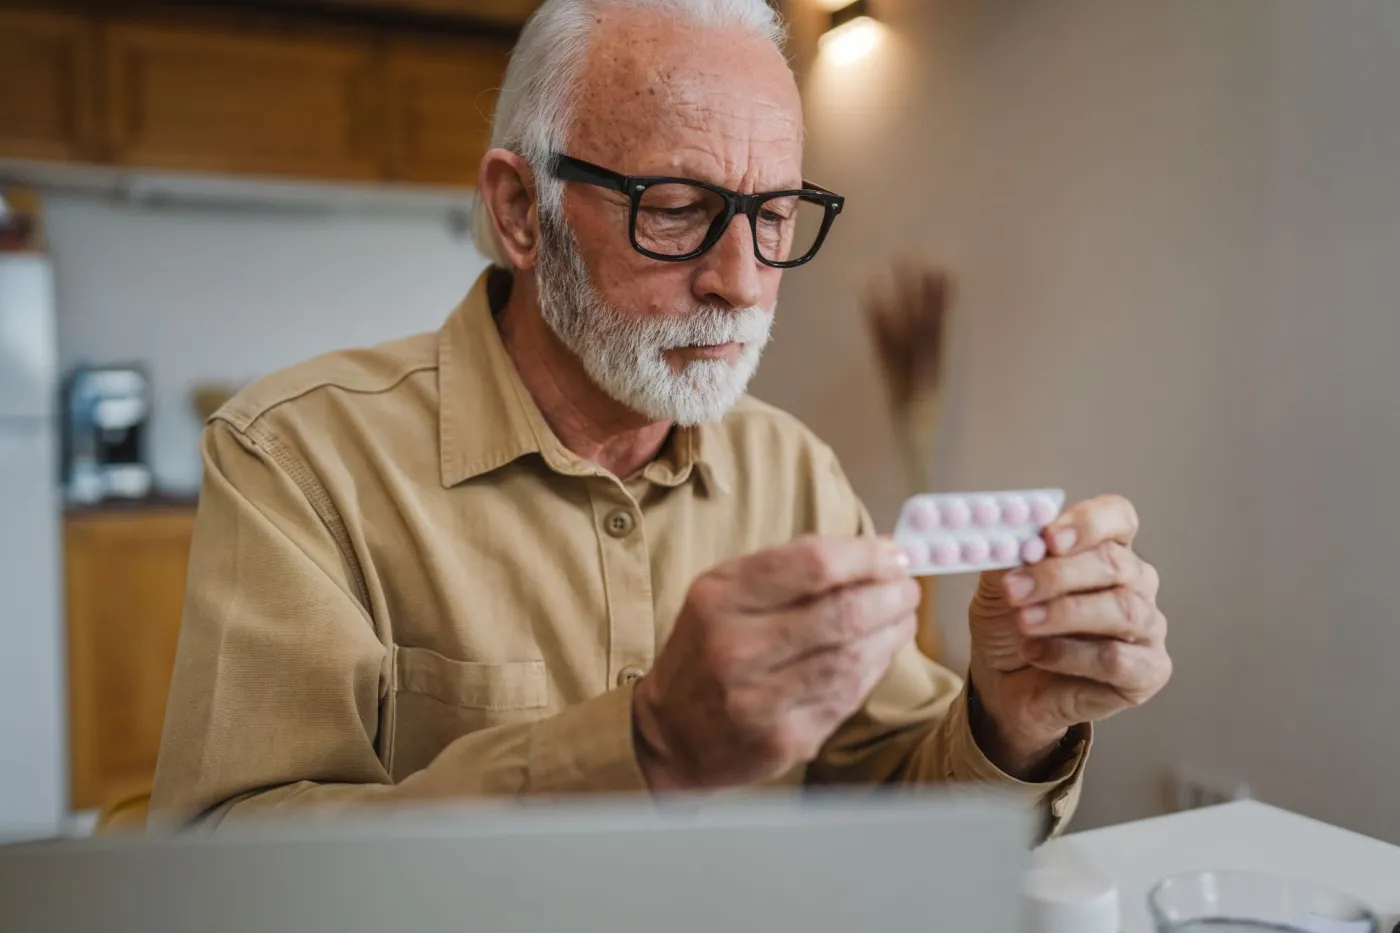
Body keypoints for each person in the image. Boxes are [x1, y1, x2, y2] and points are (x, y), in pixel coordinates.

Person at [150, 0, 1171, 834]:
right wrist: (642, 748)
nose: (741, 282)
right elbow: (222, 876)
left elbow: (886, 807)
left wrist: (1009, 722)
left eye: (771, 216)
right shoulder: (296, 459)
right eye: (677, 208)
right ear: (520, 212)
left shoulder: (794, 472)